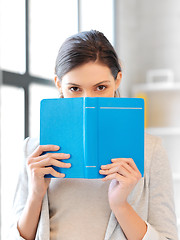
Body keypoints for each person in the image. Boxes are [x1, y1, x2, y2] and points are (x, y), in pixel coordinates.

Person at [9, 30, 178, 240]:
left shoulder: (150, 150)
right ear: (58, 84)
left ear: (117, 81)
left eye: (100, 87)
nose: (87, 100)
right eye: (74, 88)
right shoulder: (34, 152)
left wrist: (120, 205)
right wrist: (36, 193)